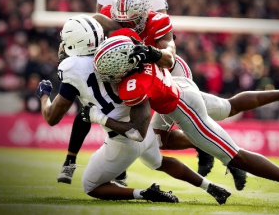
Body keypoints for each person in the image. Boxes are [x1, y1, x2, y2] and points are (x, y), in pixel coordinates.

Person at [87, 35, 279, 206]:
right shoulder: (138, 50)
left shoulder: (134, 85)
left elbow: (138, 131)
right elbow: (161, 53)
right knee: (228, 107)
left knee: (234, 156)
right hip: (182, 87)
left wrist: (99, 117)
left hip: (182, 108)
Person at [58, 0, 218, 188]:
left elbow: (164, 42)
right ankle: (71, 160)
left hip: (151, 65)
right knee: (89, 100)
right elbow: (94, 27)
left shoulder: (157, 3)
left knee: (166, 132)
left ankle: (204, 142)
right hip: (124, 65)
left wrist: (143, 50)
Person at [39, 15, 231, 204]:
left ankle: (145, 193)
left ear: (75, 42)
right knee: (159, 163)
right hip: (143, 127)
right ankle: (211, 187)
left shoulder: (72, 67)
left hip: (124, 137)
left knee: (91, 185)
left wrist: (45, 95)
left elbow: (52, 117)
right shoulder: (114, 50)